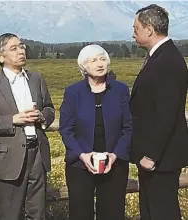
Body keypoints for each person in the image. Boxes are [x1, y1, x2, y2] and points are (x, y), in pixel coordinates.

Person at [0, 33, 55, 220]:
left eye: (22, 46)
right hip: (8, 160)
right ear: (0, 56)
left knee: (37, 214)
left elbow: (50, 108)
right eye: (14, 48)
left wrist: (42, 117)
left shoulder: (36, 79)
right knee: (9, 214)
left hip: (38, 156)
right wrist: (13, 120)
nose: (21, 51)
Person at [59, 44, 132, 220]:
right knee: (80, 213)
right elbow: (66, 129)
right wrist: (81, 154)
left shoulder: (120, 90)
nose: (100, 64)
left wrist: (115, 155)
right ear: (84, 66)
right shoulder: (72, 92)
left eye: (103, 59)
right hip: (80, 166)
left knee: (112, 213)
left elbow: (129, 127)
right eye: (94, 60)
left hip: (114, 165)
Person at [130, 4, 188, 220]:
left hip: (160, 159)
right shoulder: (161, 57)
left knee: (162, 212)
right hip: (156, 158)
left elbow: (167, 113)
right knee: (151, 211)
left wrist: (151, 155)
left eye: (136, 28)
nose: (133, 33)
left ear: (149, 29)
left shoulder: (167, 62)